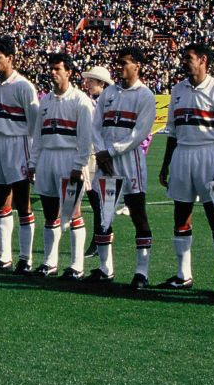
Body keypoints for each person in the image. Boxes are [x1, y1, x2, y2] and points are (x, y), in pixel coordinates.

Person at [158, 43, 214, 296]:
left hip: (207, 153)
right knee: (181, 215)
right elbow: (172, 131)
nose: (184, 61)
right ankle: (183, 275)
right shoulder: (178, 89)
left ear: (203, 60)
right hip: (182, 153)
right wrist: (166, 165)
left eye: (189, 57)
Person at [91, 48, 157, 289]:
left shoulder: (145, 95)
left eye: (124, 63)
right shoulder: (109, 92)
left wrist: (111, 150)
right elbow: (95, 125)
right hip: (106, 161)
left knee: (138, 214)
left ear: (137, 66)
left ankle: (141, 272)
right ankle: (105, 269)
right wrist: (99, 150)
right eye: (118, 63)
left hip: (129, 162)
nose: (119, 67)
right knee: (104, 215)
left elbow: (139, 133)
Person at [28, 53, 93, 279]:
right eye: (51, 69)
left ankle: (76, 265)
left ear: (69, 72)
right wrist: (33, 162)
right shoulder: (44, 100)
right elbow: (38, 135)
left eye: (57, 69)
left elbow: (86, 138)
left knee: (73, 213)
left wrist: (79, 164)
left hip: (69, 159)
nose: (53, 73)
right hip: (47, 158)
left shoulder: (80, 101)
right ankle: (49, 262)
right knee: (49, 213)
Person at [0, 36, 40, 271]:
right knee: (1, 202)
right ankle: (5, 256)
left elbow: (35, 124)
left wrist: (32, 157)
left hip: (18, 144)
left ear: (10, 58)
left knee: (23, 202)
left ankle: (26, 259)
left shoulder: (24, 87)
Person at [80, 64, 113, 258]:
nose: (87, 84)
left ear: (101, 83)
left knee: (103, 201)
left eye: (91, 81)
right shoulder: (92, 102)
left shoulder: (107, 102)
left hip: (104, 156)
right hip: (92, 155)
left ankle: (101, 238)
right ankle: (99, 237)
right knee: (95, 201)